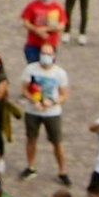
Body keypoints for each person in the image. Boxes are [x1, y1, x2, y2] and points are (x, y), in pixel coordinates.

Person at [20, 48, 71, 184]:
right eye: (43, 53)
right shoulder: (31, 69)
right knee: (31, 139)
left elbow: (64, 94)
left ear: (54, 56)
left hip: (52, 112)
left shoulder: (60, 73)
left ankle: (62, 171)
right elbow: (24, 89)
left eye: (49, 54)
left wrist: (53, 102)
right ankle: (31, 167)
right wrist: (34, 101)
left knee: (57, 142)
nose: (45, 56)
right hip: (33, 110)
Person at [19, 0, 66, 64]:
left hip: (50, 45)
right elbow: (26, 22)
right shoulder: (32, 5)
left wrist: (45, 29)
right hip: (33, 44)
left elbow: (62, 25)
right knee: (33, 67)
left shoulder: (57, 8)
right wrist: (36, 30)